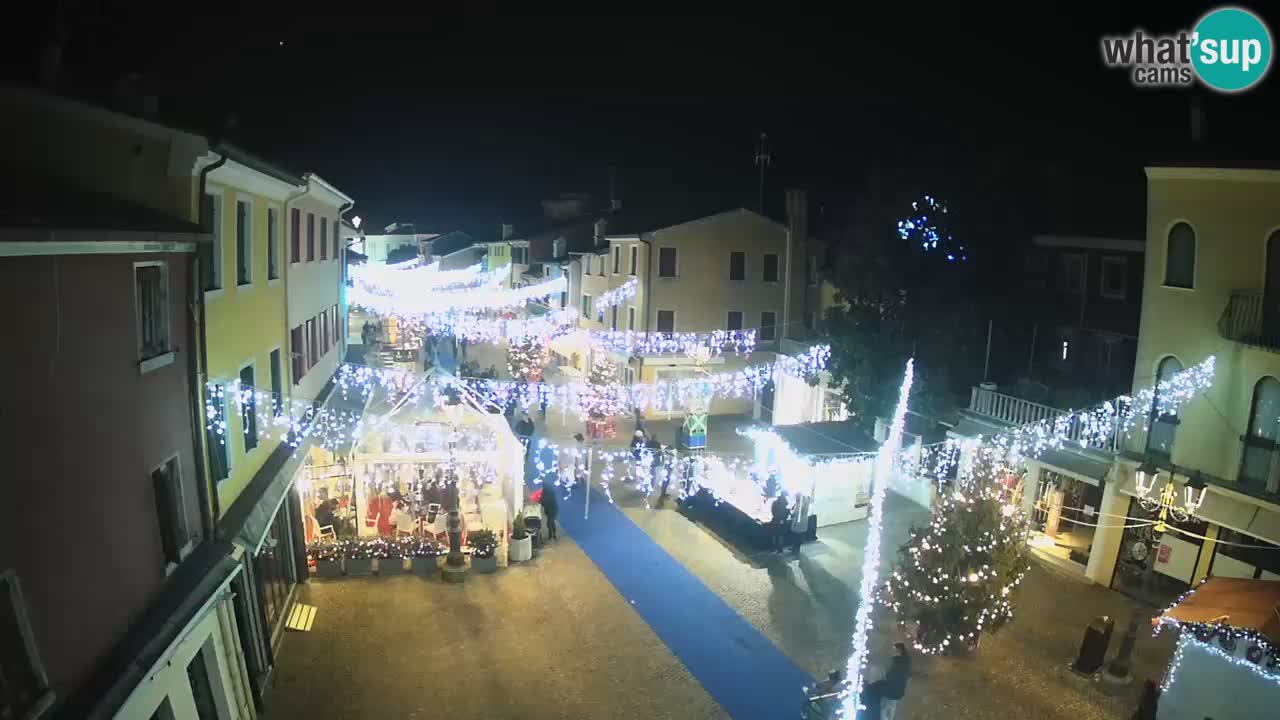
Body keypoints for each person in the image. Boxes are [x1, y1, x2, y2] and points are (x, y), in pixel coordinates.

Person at [866, 642, 911, 720]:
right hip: (898, 691)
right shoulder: (906, 660)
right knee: (877, 687)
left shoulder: (897, 661)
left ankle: (873, 715)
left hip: (893, 690)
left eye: (894, 650)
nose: (892, 652)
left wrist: (886, 672)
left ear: (899, 650)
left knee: (873, 690)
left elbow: (889, 675)